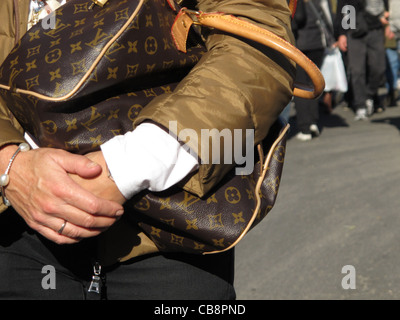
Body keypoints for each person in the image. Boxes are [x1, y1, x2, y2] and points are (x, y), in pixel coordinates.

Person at [0, 0, 295, 299]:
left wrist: (129, 166)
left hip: (170, 219)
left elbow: (257, 43)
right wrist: (9, 165)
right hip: (17, 222)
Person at [336, 0, 388, 120]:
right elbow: (342, 6)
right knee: (357, 70)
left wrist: (389, 23)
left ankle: (369, 95)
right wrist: (342, 33)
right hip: (353, 28)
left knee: (379, 67)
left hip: (375, 27)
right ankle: (360, 105)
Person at [292, 0, 334, 141]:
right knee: (313, 84)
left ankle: (305, 127)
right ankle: (313, 122)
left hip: (300, 44)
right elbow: (328, 15)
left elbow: (297, 18)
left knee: (300, 86)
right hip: (318, 42)